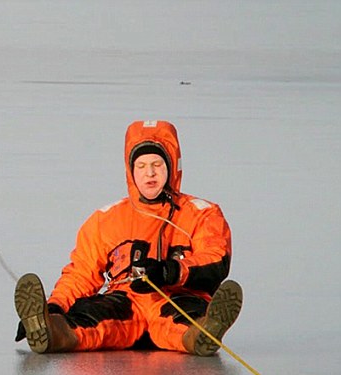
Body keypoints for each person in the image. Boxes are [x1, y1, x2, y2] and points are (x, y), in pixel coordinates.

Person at [14, 120, 243, 355]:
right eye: (141, 166)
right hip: (126, 301)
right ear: (130, 170)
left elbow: (215, 259)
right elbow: (81, 273)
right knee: (88, 320)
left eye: (157, 164)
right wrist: (55, 307)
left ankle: (204, 333)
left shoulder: (203, 213)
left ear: (173, 167)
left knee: (183, 322)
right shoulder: (106, 219)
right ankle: (49, 330)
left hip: (175, 299)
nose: (150, 173)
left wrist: (170, 271)